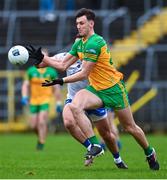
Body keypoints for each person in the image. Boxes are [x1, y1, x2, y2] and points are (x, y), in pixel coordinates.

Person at [26, 8, 160, 170]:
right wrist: (42, 58)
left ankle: (149, 152)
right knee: (75, 106)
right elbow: (62, 64)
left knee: (129, 127)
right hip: (96, 90)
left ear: (91, 24)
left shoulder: (95, 43)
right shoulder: (80, 43)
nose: (79, 26)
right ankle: (94, 146)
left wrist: (60, 80)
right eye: (77, 24)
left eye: (81, 23)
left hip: (114, 90)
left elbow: (83, 74)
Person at [54, 52, 126, 168]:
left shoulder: (92, 57)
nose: (79, 45)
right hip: (73, 98)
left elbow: (93, 74)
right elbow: (50, 61)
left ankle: (118, 159)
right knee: (68, 122)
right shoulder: (65, 56)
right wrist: (39, 59)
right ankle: (91, 147)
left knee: (106, 134)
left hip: (93, 98)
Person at [21, 49, 62, 150]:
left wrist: (58, 103)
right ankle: (40, 137)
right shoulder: (31, 71)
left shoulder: (51, 71)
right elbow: (25, 85)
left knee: (41, 121)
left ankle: (41, 142)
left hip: (46, 100)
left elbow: (56, 88)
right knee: (34, 125)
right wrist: (24, 96)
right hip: (34, 100)